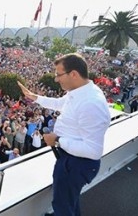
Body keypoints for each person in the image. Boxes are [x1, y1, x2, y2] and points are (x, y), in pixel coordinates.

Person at [18, 53, 110, 216]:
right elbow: (61, 103)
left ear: (73, 74)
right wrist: (35, 97)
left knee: (62, 205)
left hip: (76, 164)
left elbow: (93, 151)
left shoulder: (91, 103)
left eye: (58, 74)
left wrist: (58, 140)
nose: (56, 79)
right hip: (71, 161)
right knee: (68, 201)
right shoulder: (79, 91)